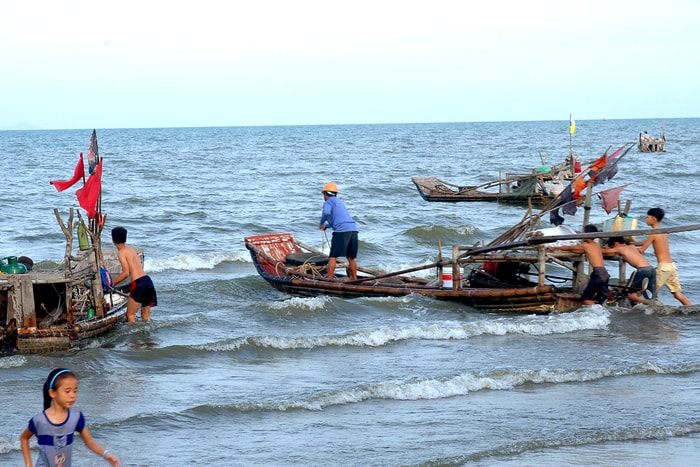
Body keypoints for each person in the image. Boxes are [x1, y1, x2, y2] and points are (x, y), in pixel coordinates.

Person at [20, 368, 121, 467]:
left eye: (75, 391)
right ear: (52, 393)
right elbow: (24, 438)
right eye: (67, 391)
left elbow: (89, 442)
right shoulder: (40, 420)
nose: (72, 395)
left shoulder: (75, 417)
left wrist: (107, 456)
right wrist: (29, 465)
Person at [638, 207, 691, 305]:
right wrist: (633, 244)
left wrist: (628, 250)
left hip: (663, 268)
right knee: (677, 294)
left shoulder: (653, 233)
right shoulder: (663, 231)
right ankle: (690, 307)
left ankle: (651, 317)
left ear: (653, 218)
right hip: (671, 266)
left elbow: (642, 250)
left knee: (650, 294)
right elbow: (649, 242)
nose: (646, 219)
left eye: (647, 217)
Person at [548, 224, 609, 305]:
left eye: (583, 233)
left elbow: (569, 248)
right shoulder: (596, 245)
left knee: (585, 298)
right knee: (601, 298)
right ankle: (601, 312)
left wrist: (554, 248)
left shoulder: (585, 245)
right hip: (605, 273)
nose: (581, 234)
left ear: (587, 234)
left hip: (598, 273)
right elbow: (579, 251)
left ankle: (599, 311)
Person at [111, 226, 157, 322]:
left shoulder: (121, 253)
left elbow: (126, 273)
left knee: (130, 315)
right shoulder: (131, 249)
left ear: (112, 240)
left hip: (139, 284)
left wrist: (113, 282)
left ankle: (134, 337)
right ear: (126, 238)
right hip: (147, 281)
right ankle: (147, 337)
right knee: (146, 315)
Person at [318, 182, 359, 281]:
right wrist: (326, 226)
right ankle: (355, 279)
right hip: (353, 229)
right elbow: (338, 220)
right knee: (351, 257)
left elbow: (326, 212)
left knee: (333, 256)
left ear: (325, 194)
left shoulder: (328, 202)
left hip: (341, 231)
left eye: (324, 194)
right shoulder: (340, 203)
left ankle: (329, 280)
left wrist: (321, 223)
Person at [603, 236, 656, 304]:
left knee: (628, 293)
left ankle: (647, 303)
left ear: (616, 244)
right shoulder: (631, 247)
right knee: (651, 294)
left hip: (643, 270)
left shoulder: (620, 248)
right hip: (651, 269)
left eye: (612, 247)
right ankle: (653, 304)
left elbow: (605, 251)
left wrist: (593, 247)